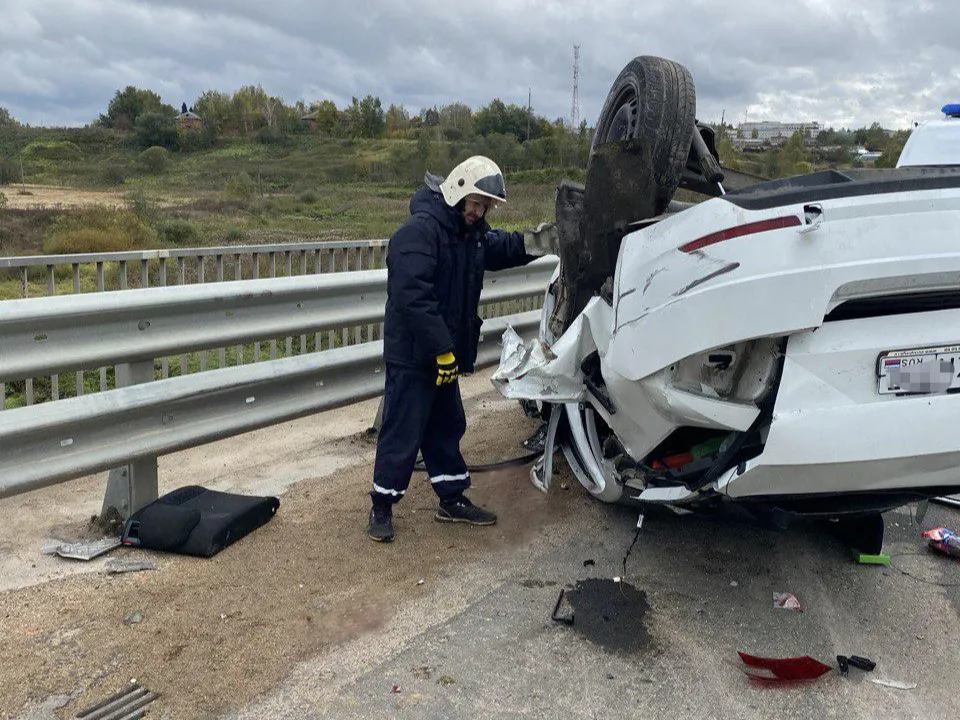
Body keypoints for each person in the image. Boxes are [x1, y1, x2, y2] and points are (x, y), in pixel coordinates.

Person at [368, 156, 557, 542]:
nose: (480, 211)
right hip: (413, 354)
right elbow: (412, 296)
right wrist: (440, 349)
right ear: (457, 191)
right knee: (403, 429)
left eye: (486, 206)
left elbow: (500, 247)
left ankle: (451, 498)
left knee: (447, 425)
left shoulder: (469, 235)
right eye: (476, 203)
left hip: (443, 355)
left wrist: (542, 241)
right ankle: (381, 506)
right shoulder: (419, 233)